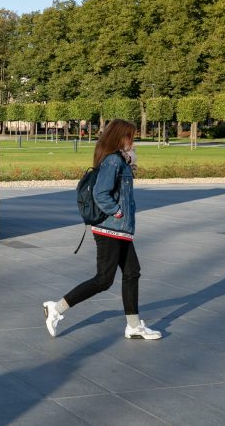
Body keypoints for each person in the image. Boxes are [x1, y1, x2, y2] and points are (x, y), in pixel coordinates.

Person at [43, 119, 161, 340]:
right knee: (103, 280)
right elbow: (100, 193)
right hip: (110, 229)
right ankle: (56, 308)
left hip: (120, 230)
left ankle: (134, 326)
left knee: (132, 272)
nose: (132, 141)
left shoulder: (120, 160)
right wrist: (117, 212)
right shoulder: (113, 161)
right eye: (130, 136)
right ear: (120, 137)